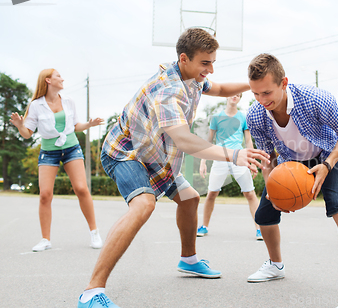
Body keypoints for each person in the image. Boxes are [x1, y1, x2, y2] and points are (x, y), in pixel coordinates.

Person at [76, 28, 270, 308]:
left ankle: (188, 259)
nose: (210, 69)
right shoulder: (169, 90)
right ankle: (91, 292)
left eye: (213, 62)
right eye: (206, 63)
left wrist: (253, 86)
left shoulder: (192, 77)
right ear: (184, 58)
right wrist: (233, 154)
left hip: (156, 158)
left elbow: (221, 89)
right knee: (143, 205)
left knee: (190, 199)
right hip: (127, 153)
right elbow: (184, 140)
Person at [245, 54, 338, 308]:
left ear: (284, 83)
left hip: (327, 154)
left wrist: (327, 165)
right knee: (264, 215)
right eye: (256, 94)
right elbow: (268, 156)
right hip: (291, 162)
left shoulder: (314, 99)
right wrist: (272, 187)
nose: (262, 100)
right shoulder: (256, 115)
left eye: (267, 92)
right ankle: (275, 265)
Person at [10, 69, 103, 252]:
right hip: (49, 151)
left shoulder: (68, 101)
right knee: (45, 195)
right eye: (58, 76)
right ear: (48, 80)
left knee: (82, 189)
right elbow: (27, 134)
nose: (62, 78)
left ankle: (94, 232)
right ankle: (45, 239)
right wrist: (21, 125)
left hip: (71, 148)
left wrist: (89, 124)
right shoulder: (36, 105)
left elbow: (76, 126)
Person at [198, 93, 262, 240]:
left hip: (239, 158)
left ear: (239, 98)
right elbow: (208, 142)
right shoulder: (216, 118)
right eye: (232, 94)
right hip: (220, 158)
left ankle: (259, 229)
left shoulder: (243, 117)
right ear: (227, 97)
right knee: (211, 194)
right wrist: (203, 161)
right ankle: (204, 226)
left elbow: (248, 141)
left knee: (250, 194)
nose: (235, 96)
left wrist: (251, 161)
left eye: (238, 95)